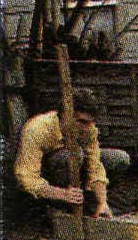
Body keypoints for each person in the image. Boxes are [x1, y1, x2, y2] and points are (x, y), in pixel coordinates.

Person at [13, 88, 130, 218]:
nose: (87, 127)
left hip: (76, 170)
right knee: (74, 155)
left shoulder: (89, 130)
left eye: (91, 121)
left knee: (119, 158)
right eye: (82, 122)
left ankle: (91, 201)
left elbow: (95, 166)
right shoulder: (37, 129)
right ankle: (57, 206)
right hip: (48, 179)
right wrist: (62, 194)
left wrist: (102, 202)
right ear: (65, 115)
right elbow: (26, 178)